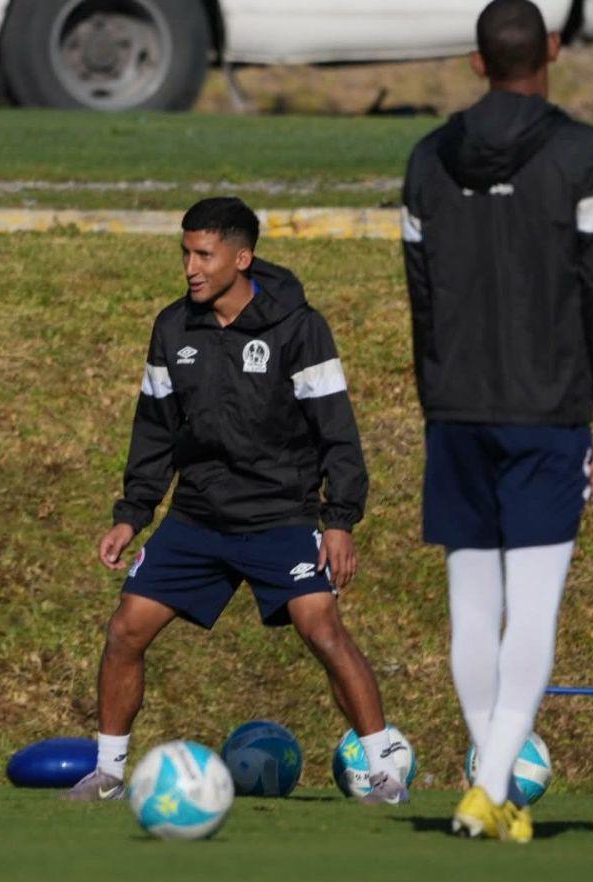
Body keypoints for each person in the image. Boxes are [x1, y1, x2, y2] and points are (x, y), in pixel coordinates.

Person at [66, 196, 408, 805]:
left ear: (241, 258)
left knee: (322, 627)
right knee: (126, 630)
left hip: (282, 515)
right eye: (185, 254)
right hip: (197, 518)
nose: (191, 268)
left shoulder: (300, 328)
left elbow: (337, 430)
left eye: (204, 254)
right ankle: (109, 774)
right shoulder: (173, 327)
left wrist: (340, 520)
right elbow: (154, 429)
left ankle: (386, 769)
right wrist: (132, 515)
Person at [401, 0, 593, 841]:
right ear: (551, 52)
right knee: (532, 610)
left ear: (475, 62)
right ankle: (489, 787)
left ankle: (489, 783)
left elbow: (422, 297)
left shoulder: (427, 159)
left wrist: (437, 395)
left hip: (457, 410)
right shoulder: (591, 157)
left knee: (472, 605)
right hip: (548, 413)